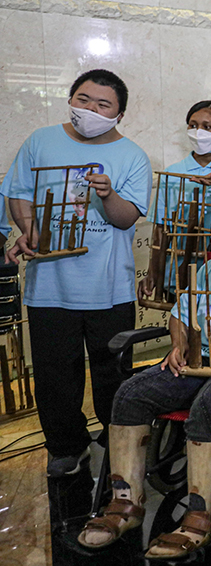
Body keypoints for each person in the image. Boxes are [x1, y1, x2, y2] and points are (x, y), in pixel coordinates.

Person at [76, 200, 211, 556]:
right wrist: (178, 344)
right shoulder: (207, 271)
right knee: (130, 393)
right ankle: (125, 504)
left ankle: (199, 517)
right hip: (199, 360)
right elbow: (181, 314)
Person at [2, 69, 151, 477]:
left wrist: (107, 194)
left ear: (119, 114)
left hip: (110, 288)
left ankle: (118, 439)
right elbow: (18, 194)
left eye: (103, 105)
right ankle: (66, 446)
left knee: (112, 373)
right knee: (54, 375)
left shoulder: (132, 156)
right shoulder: (41, 141)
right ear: (71, 99)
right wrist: (30, 232)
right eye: (83, 99)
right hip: (49, 287)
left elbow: (125, 220)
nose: (91, 110)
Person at [140, 100, 211, 298]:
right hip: (178, 271)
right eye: (193, 126)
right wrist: (154, 272)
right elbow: (160, 228)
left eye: (207, 127)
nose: (198, 132)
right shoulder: (172, 173)